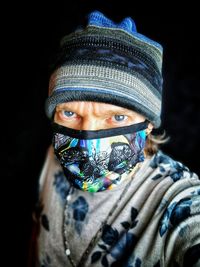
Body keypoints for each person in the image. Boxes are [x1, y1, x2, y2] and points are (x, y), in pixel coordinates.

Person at [29, 10, 200, 267]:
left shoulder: (178, 200)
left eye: (117, 117)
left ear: (148, 124)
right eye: (69, 112)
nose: (87, 140)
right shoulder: (53, 158)